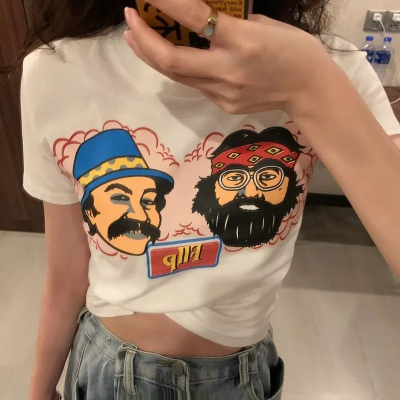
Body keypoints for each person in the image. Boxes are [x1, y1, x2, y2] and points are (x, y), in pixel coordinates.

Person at [8, 0, 400, 398]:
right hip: (109, 369)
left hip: (244, 372)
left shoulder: (326, 67)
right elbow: (66, 274)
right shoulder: (58, 68)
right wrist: (39, 389)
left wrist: (311, 88)